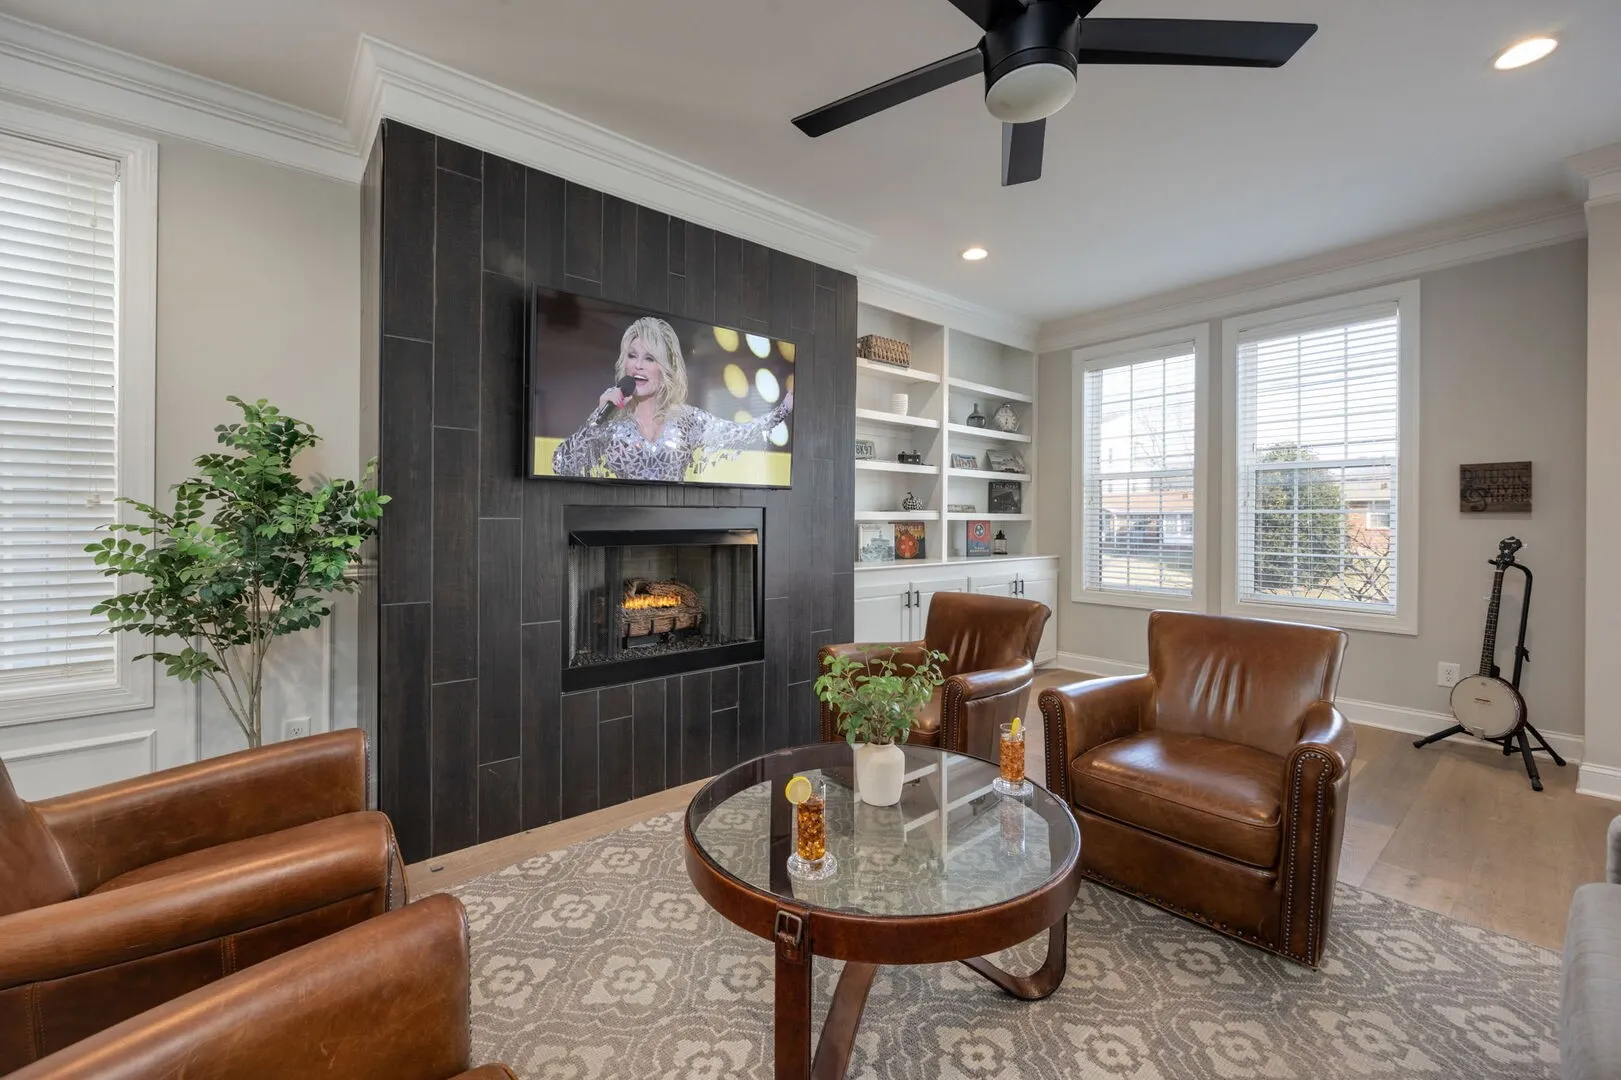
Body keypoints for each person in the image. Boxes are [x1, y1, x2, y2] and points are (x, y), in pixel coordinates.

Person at [552, 316, 794, 481]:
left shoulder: (688, 420)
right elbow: (562, 465)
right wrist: (598, 418)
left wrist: (783, 409)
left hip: (675, 522)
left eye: (649, 358)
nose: (638, 365)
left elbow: (740, 433)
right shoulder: (609, 421)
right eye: (632, 356)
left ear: (666, 367)